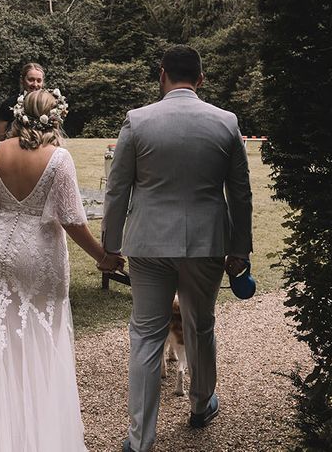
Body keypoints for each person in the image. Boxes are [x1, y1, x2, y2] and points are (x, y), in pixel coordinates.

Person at [0, 89, 122, 452]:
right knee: (42, 331)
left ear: (19, 115)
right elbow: (72, 220)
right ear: (55, 118)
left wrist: (4, 209)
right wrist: (102, 256)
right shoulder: (59, 158)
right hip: (40, 251)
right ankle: (35, 425)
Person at [101, 45, 253, 452]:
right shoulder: (226, 123)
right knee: (200, 325)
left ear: (161, 74)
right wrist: (240, 250)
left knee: (146, 336)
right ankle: (201, 405)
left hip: (148, 244)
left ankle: (140, 440)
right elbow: (241, 195)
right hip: (206, 245)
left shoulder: (137, 121)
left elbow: (117, 190)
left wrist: (109, 247)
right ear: (201, 79)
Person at [0, 62, 45, 142]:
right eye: (31, 80)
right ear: (22, 80)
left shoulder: (49, 105)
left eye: (39, 81)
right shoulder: (9, 104)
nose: (35, 84)